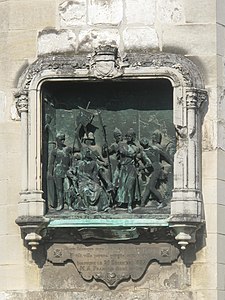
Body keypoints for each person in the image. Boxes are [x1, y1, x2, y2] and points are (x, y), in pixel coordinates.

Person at [116, 128, 150, 213]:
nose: (128, 137)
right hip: (123, 169)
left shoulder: (137, 147)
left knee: (130, 187)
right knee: (121, 188)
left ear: (133, 137)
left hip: (132, 169)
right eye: (126, 135)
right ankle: (120, 203)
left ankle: (129, 205)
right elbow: (122, 151)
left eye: (130, 135)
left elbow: (146, 159)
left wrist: (143, 166)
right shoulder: (121, 145)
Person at [140, 130, 172, 208]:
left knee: (151, 187)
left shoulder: (144, 152)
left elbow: (149, 164)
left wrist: (143, 168)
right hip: (158, 168)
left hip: (155, 170)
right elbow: (165, 156)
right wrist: (172, 162)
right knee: (148, 187)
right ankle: (142, 203)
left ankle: (162, 202)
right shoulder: (155, 149)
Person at [48, 133, 72, 210]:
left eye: (63, 139)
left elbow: (72, 159)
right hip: (58, 171)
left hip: (66, 171)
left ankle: (69, 204)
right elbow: (51, 163)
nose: (63, 141)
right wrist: (50, 173)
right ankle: (60, 204)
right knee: (59, 189)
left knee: (67, 188)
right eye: (61, 139)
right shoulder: (54, 151)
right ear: (57, 140)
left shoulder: (67, 149)